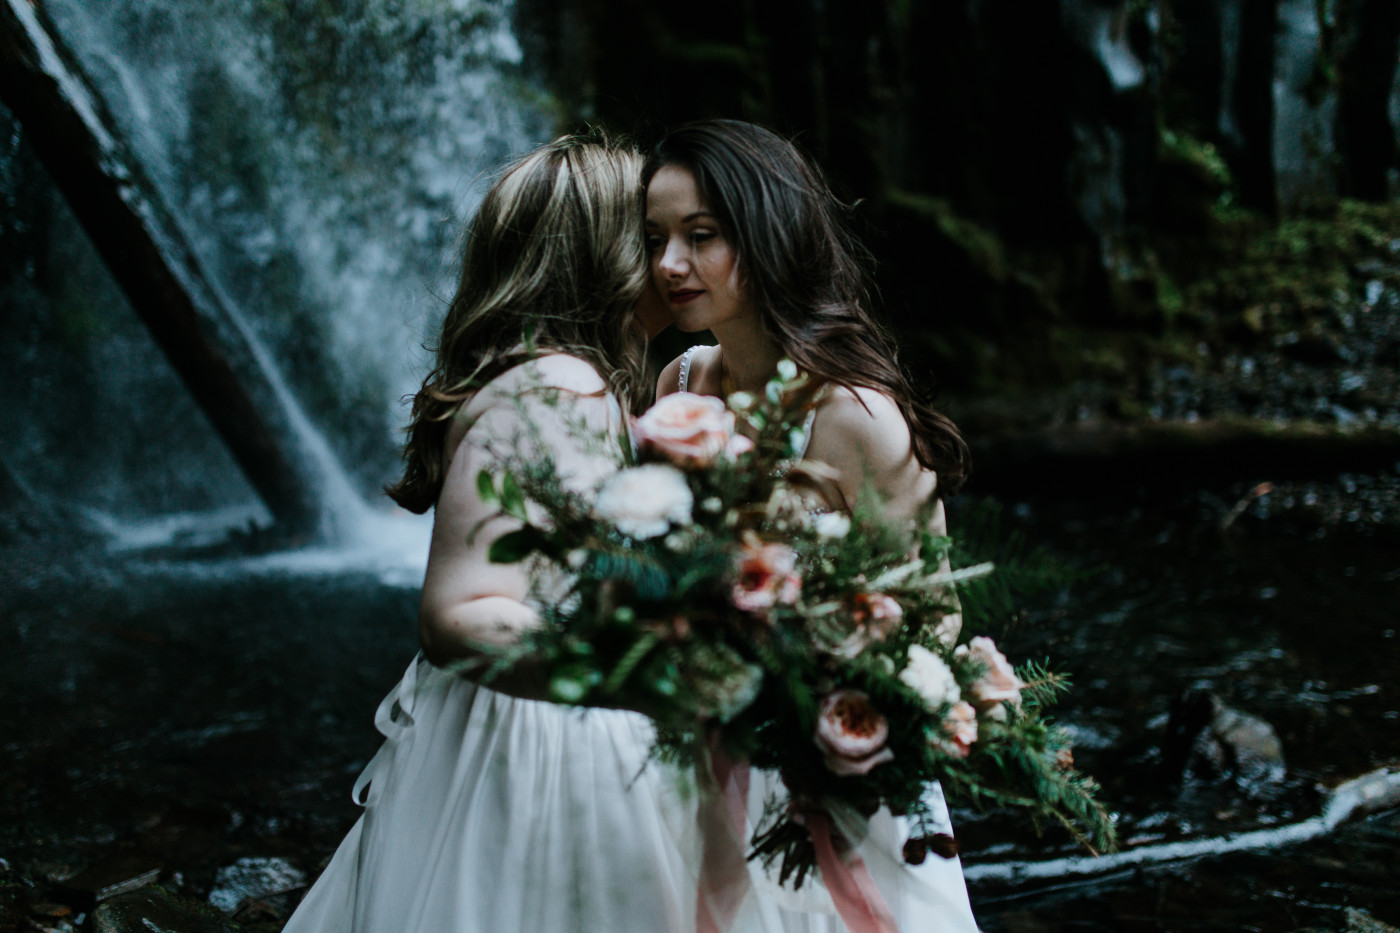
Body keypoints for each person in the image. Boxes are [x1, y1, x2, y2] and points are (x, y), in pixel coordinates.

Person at [282, 134, 694, 933]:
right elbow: (458, 610)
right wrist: (653, 675)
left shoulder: (559, 380)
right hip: (535, 751)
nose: (672, 263)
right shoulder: (557, 386)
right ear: (597, 257)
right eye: (647, 241)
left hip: (519, 719)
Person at [646, 119, 981, 933]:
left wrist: (820, 702)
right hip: (698, 747)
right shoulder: (678, 381)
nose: (668, 266)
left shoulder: (862, 418)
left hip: (826, 766)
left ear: (765, 234)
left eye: (701, 236)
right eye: (654, 238)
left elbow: (937, 616)